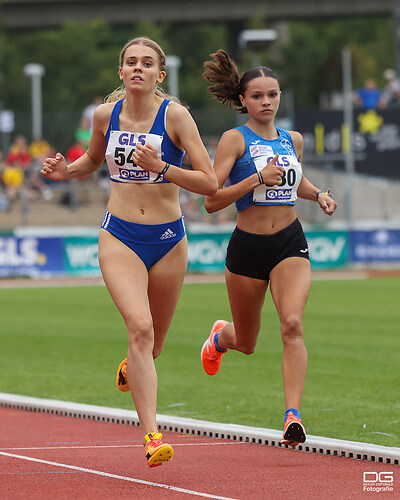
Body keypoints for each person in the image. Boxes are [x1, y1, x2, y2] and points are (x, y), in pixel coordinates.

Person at [41, 36, 217, 467]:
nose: (138, 68)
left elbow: (210, 182)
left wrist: (163, 168)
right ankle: (152, 437)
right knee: (140, 328)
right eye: (131, 62)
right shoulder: (106, 115)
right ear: (121, 72)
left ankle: (133, 366)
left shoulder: (176, 117)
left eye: (147, 63)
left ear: (160, 74)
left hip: (169, 241)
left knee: (152, 344)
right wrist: (67, 171)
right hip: (119, 235)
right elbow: (92, 160)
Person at [200, 50, 337, 447]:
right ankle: (220, 338)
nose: (266, 102)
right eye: (257, 96)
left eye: (272, 95)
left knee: (292, 324)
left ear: (280, 97)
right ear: (243, 100)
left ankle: (292, 415)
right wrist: (256, 178)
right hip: (247, 248)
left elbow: (297, 182)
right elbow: (211, 200)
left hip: (289, 242)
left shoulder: (291, 138)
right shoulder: (233, 139)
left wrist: (320, 195)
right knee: (246, 342)